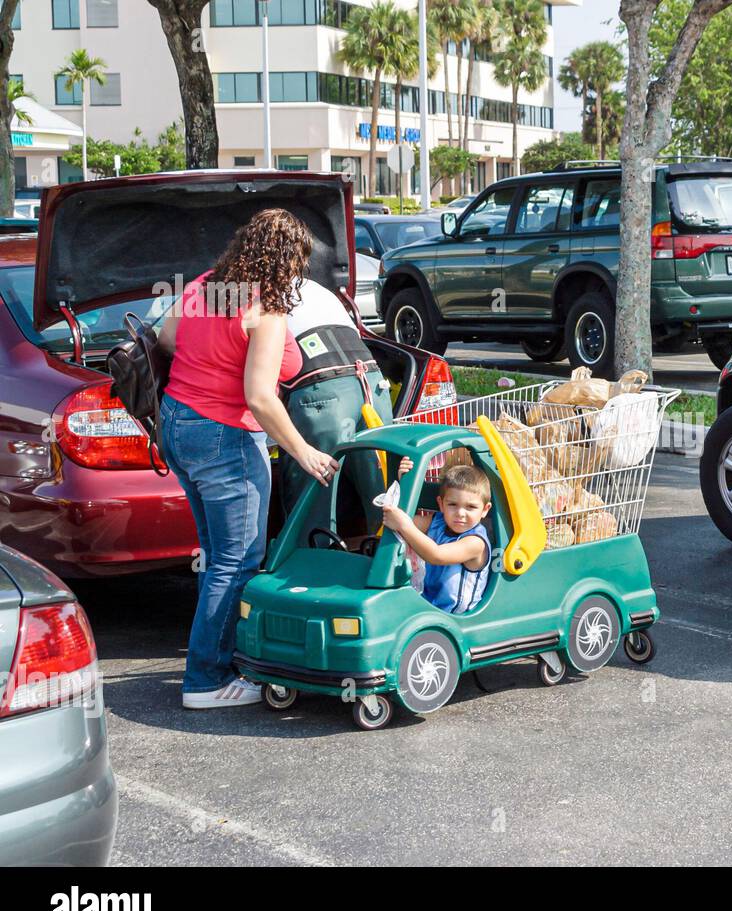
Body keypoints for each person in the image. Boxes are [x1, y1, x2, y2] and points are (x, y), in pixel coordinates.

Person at [158, 208, 340, 709]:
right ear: (287, 262)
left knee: (217, 557)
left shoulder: (206, 285)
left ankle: (216, 662)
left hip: (178, 423)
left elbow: (166, 339)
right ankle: (206, 681)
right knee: (236, 563)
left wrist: (210, 359)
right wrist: (304, 452)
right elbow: (260, 397)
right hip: (225, 439)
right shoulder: (265, 309)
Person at [278, 276, 392, 524]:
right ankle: (388, 557)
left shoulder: (254, 293)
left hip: (322, 394)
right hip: (373, 384)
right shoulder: (317, 287)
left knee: (315, 500)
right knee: (383, 497)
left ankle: (314, 557)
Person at [382, 463, 492, 614]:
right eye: (452, 504)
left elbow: (436, 555)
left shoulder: (475, 542)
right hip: (427, 605)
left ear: (485, 510)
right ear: (441, 504)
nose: (460, 513)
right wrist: (405, 483)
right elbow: (401, 519)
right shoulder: (437, 522)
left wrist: (404, 525)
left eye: (471, 507)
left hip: (455, 617)